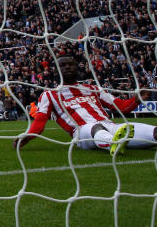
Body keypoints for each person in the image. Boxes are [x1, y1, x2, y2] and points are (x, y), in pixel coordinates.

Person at [12, 56, 156, 154]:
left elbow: (121, 107)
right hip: (82, 132)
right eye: (63, 65)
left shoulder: (92, 88)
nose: (67, 68)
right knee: (95, 127)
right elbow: (40, 122)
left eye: (71, 65)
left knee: (154, 133)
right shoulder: (49, 95)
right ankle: (114, 142)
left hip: (112, 126)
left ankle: (117, 141)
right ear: (56, 70)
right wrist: (28, 136)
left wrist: (136, 99)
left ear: (77, 68)